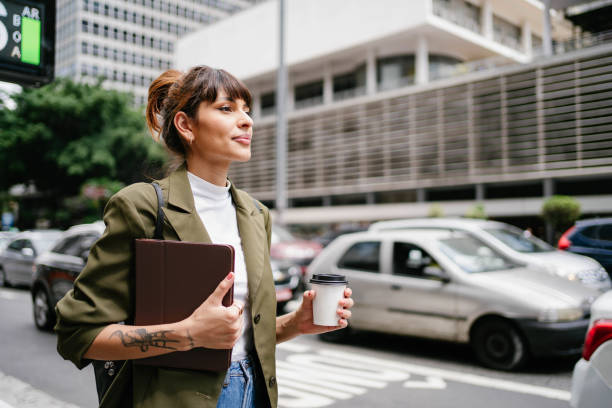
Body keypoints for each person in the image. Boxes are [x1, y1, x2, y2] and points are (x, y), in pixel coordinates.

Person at [54, 66, 354, 408]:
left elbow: (240, 335)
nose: (246, 121)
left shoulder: (257, 214)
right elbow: (77, 333)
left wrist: (296, 323)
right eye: (227, 108)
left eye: (246, 110)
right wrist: (187, 334)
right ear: (186, 125)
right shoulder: (142, 205)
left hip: (255, 393)